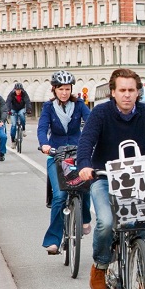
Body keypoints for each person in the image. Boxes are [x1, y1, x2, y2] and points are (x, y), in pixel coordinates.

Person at [77, 68, 145, 289]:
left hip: (137, 178)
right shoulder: (101, 113)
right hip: (104, 176)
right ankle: (101, 267)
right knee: (105, 221)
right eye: (122, 90)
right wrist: (84, 165)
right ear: (112, 92)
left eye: (131, 90)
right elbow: (86, 141)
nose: (127, 95)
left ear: (138, 93)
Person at [37, 70, 92, 254]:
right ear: (54, 89)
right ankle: (53, 240)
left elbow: (91, 122)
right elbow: (42, 128)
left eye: (67, 89)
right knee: (60, 196)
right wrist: (44, 144)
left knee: (84, 186)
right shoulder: (48, 107)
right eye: (61, 89)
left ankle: (84, 218)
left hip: (78, 153)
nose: (64, 92)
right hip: (57, 155)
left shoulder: (79, 105)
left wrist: (94, 140)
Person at [6, 82, 33, 149]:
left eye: (19, 90)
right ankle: (13, 141)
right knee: (13, 125)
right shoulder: (11, 94)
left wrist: (29, 109)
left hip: (21, 108)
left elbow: (27, 101)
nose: (18, 91)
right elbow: (8, 102)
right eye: (17, 90)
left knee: (21, 114)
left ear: (21, 90)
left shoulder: (24, 94)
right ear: (14, 89)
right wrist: (8, 110)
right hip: (13, 109)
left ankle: (23, 129)